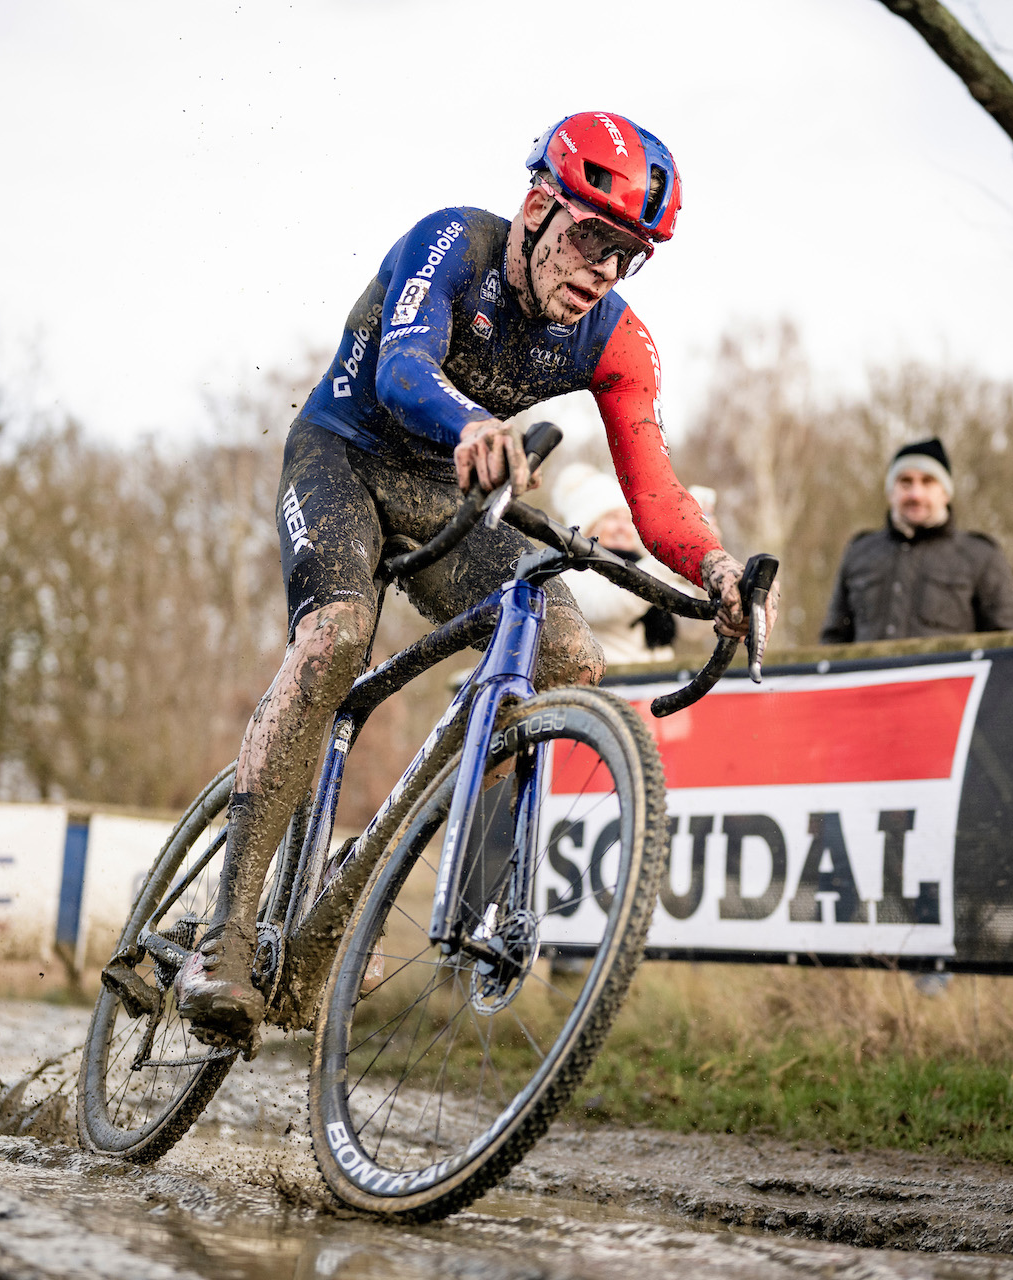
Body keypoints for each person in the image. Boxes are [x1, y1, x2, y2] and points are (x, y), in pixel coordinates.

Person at [169, 111, 777, 1043]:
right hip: (346, 455)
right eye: (589, 239)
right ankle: (225, 933)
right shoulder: (456, 241)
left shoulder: (618, 343)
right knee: (334, 642)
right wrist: (473, 425)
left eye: (628, 257)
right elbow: (403, 369)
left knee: (569, 659)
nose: (602, 272)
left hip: (455, 492)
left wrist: (720, 569)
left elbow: (653, 493)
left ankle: (350, 901)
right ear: (538, 207)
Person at [818, 438, 1013, 644]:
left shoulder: (981, 555)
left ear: (945, 493)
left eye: (927, 482)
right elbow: (832, 642)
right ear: (891, 492)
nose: (916, 494)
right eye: (905, 482)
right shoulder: (859, 552)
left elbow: (1008, 643)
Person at [553, 463, 682, 666]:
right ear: (588, 525)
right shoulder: (568, 575)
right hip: (610, 687)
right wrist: (669, 557)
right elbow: (611, 605)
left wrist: (699, 563)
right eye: (612, 518)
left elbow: (695, 620)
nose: (623, 528)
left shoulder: (643, 565)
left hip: (664, 686)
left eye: (629, 519)